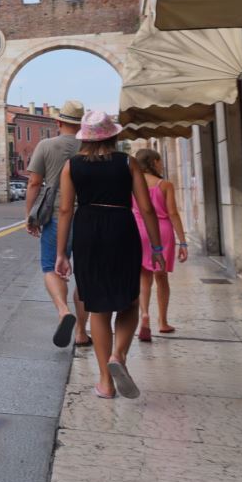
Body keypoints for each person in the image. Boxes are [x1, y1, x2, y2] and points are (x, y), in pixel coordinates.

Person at [55, 111, 164, 400]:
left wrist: (61, 253)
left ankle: (105, 381)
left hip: (88, 230)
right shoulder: (127, 163)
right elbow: (146, 208)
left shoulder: (71, 166)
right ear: (113, 135)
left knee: (98, 307)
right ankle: (118, 356)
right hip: (121, 228)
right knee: (129, 300)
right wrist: (157, 248)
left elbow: (65, 210)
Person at [24, 98, 91, 348]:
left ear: (58, 121)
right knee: (83, 275)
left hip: (54, 215)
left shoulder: (46, 145)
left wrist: (30, 216)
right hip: (86, 217)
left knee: (51, 268)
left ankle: (63, 311)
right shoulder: (90, 146)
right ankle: (82, 333)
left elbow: (33, 183)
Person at [132, 149, 189, 341]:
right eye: (160, 161)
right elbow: (173, 213)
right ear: (154, 162)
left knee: (143, 277)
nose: (162, 164)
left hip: (139, 230)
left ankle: (144, 315)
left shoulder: (132, 184)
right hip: (162, 232)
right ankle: (163, 322)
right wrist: (183, 241)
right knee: (161, 278)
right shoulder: (164, 185)